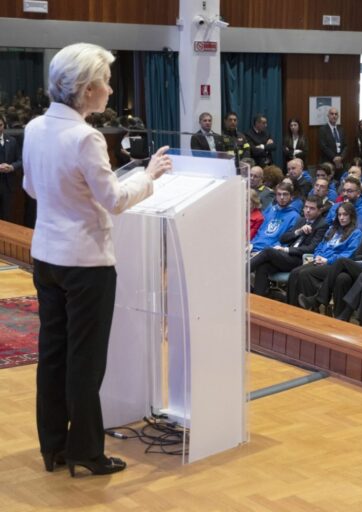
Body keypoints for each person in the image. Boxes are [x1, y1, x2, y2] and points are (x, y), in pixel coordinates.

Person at [23, 43, 173, 476]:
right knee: (86, 361)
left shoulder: (35, 127)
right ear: (87, 89)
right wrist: (148, 176)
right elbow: (113, 199)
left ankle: (53, 446)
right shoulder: (85, 137)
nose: (110, 89)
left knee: (53, 353)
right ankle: (86, 452)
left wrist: (66, 197)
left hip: (47, 256)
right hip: (86, 262)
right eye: (105, 82)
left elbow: (32, 188)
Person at [298, 203, 362, 313]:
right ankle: (340, 317)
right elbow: (357, 254)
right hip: (358, 267)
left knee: (341, 261)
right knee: (342, 278)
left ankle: (318, 299)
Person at [249, 195, 329, 296]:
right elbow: (283, 238)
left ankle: (242, 272)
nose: (308, 210)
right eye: (306, 207)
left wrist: (286, 249)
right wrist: (298, 231)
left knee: (268, 251)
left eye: (312, 208)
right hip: (287, 257)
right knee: (263, 266)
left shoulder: (322, 225)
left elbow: (311, 249)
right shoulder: (302, 220)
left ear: (319, 210)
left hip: (300, 260)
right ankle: (259, 299)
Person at [287, 202, 362, 305]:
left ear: (352, 216)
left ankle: (311, 306)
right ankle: (292, 305)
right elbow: (320, 246)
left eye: (345, 215)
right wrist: (317, 256)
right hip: (320, 261)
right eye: (339, 215)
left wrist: (327, 260)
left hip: (335, 265)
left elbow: (348, 254)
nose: (341, 217)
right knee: (295, 272)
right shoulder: (332, 229)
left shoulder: (356, 233)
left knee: (305, 274)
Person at [0, 114, 22, 220]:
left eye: (0, 125)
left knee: (7, 215)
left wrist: (12, 167)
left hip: (8, 185)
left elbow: (20, 160)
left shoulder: (12, 141)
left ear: (4, 125)